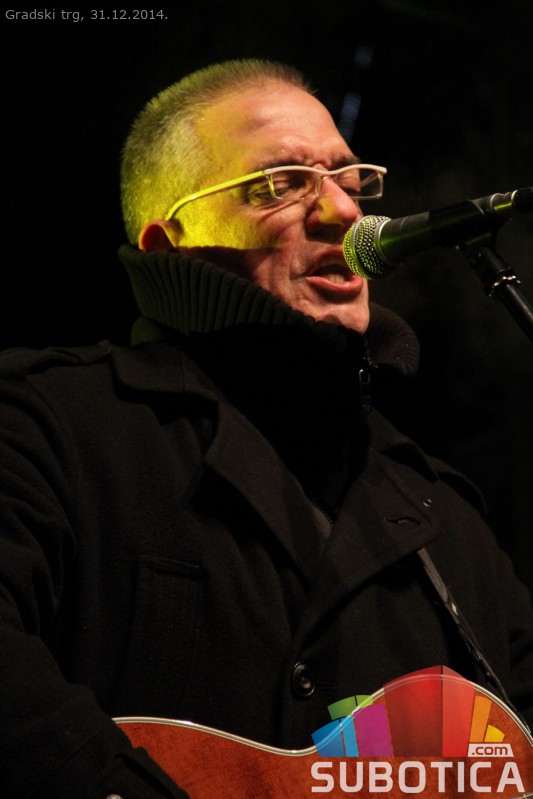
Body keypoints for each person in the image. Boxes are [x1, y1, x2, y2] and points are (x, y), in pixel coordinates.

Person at [1, 59, 532, 799]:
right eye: (281, 182)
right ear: (168, 245)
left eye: (349, 180)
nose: (344, 212)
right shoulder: (47, 423)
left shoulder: (444, 519)